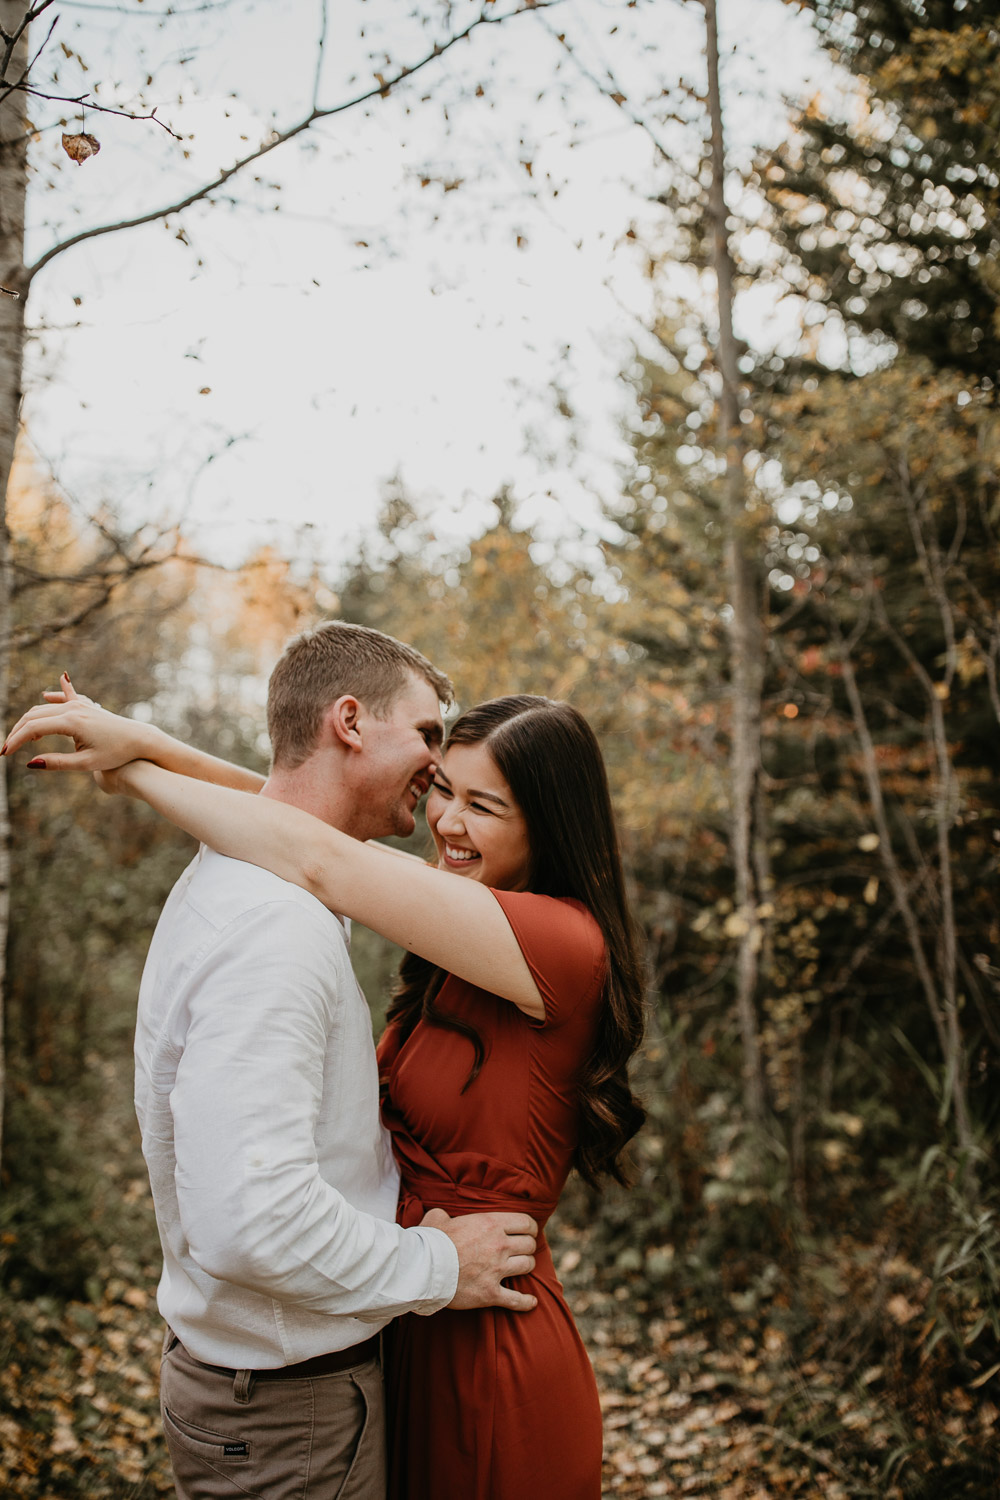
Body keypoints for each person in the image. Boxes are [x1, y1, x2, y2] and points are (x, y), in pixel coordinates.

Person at [6, 669, 646, 1500]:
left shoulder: (560, 946)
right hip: (412, 1308)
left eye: (483, 808)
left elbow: (317, 857)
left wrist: (131, 770)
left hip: (488, 1341)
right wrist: (148, 744)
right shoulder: (466, 920)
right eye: (444, 789)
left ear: (549, 827)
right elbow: (304, 826)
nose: (446, 822)